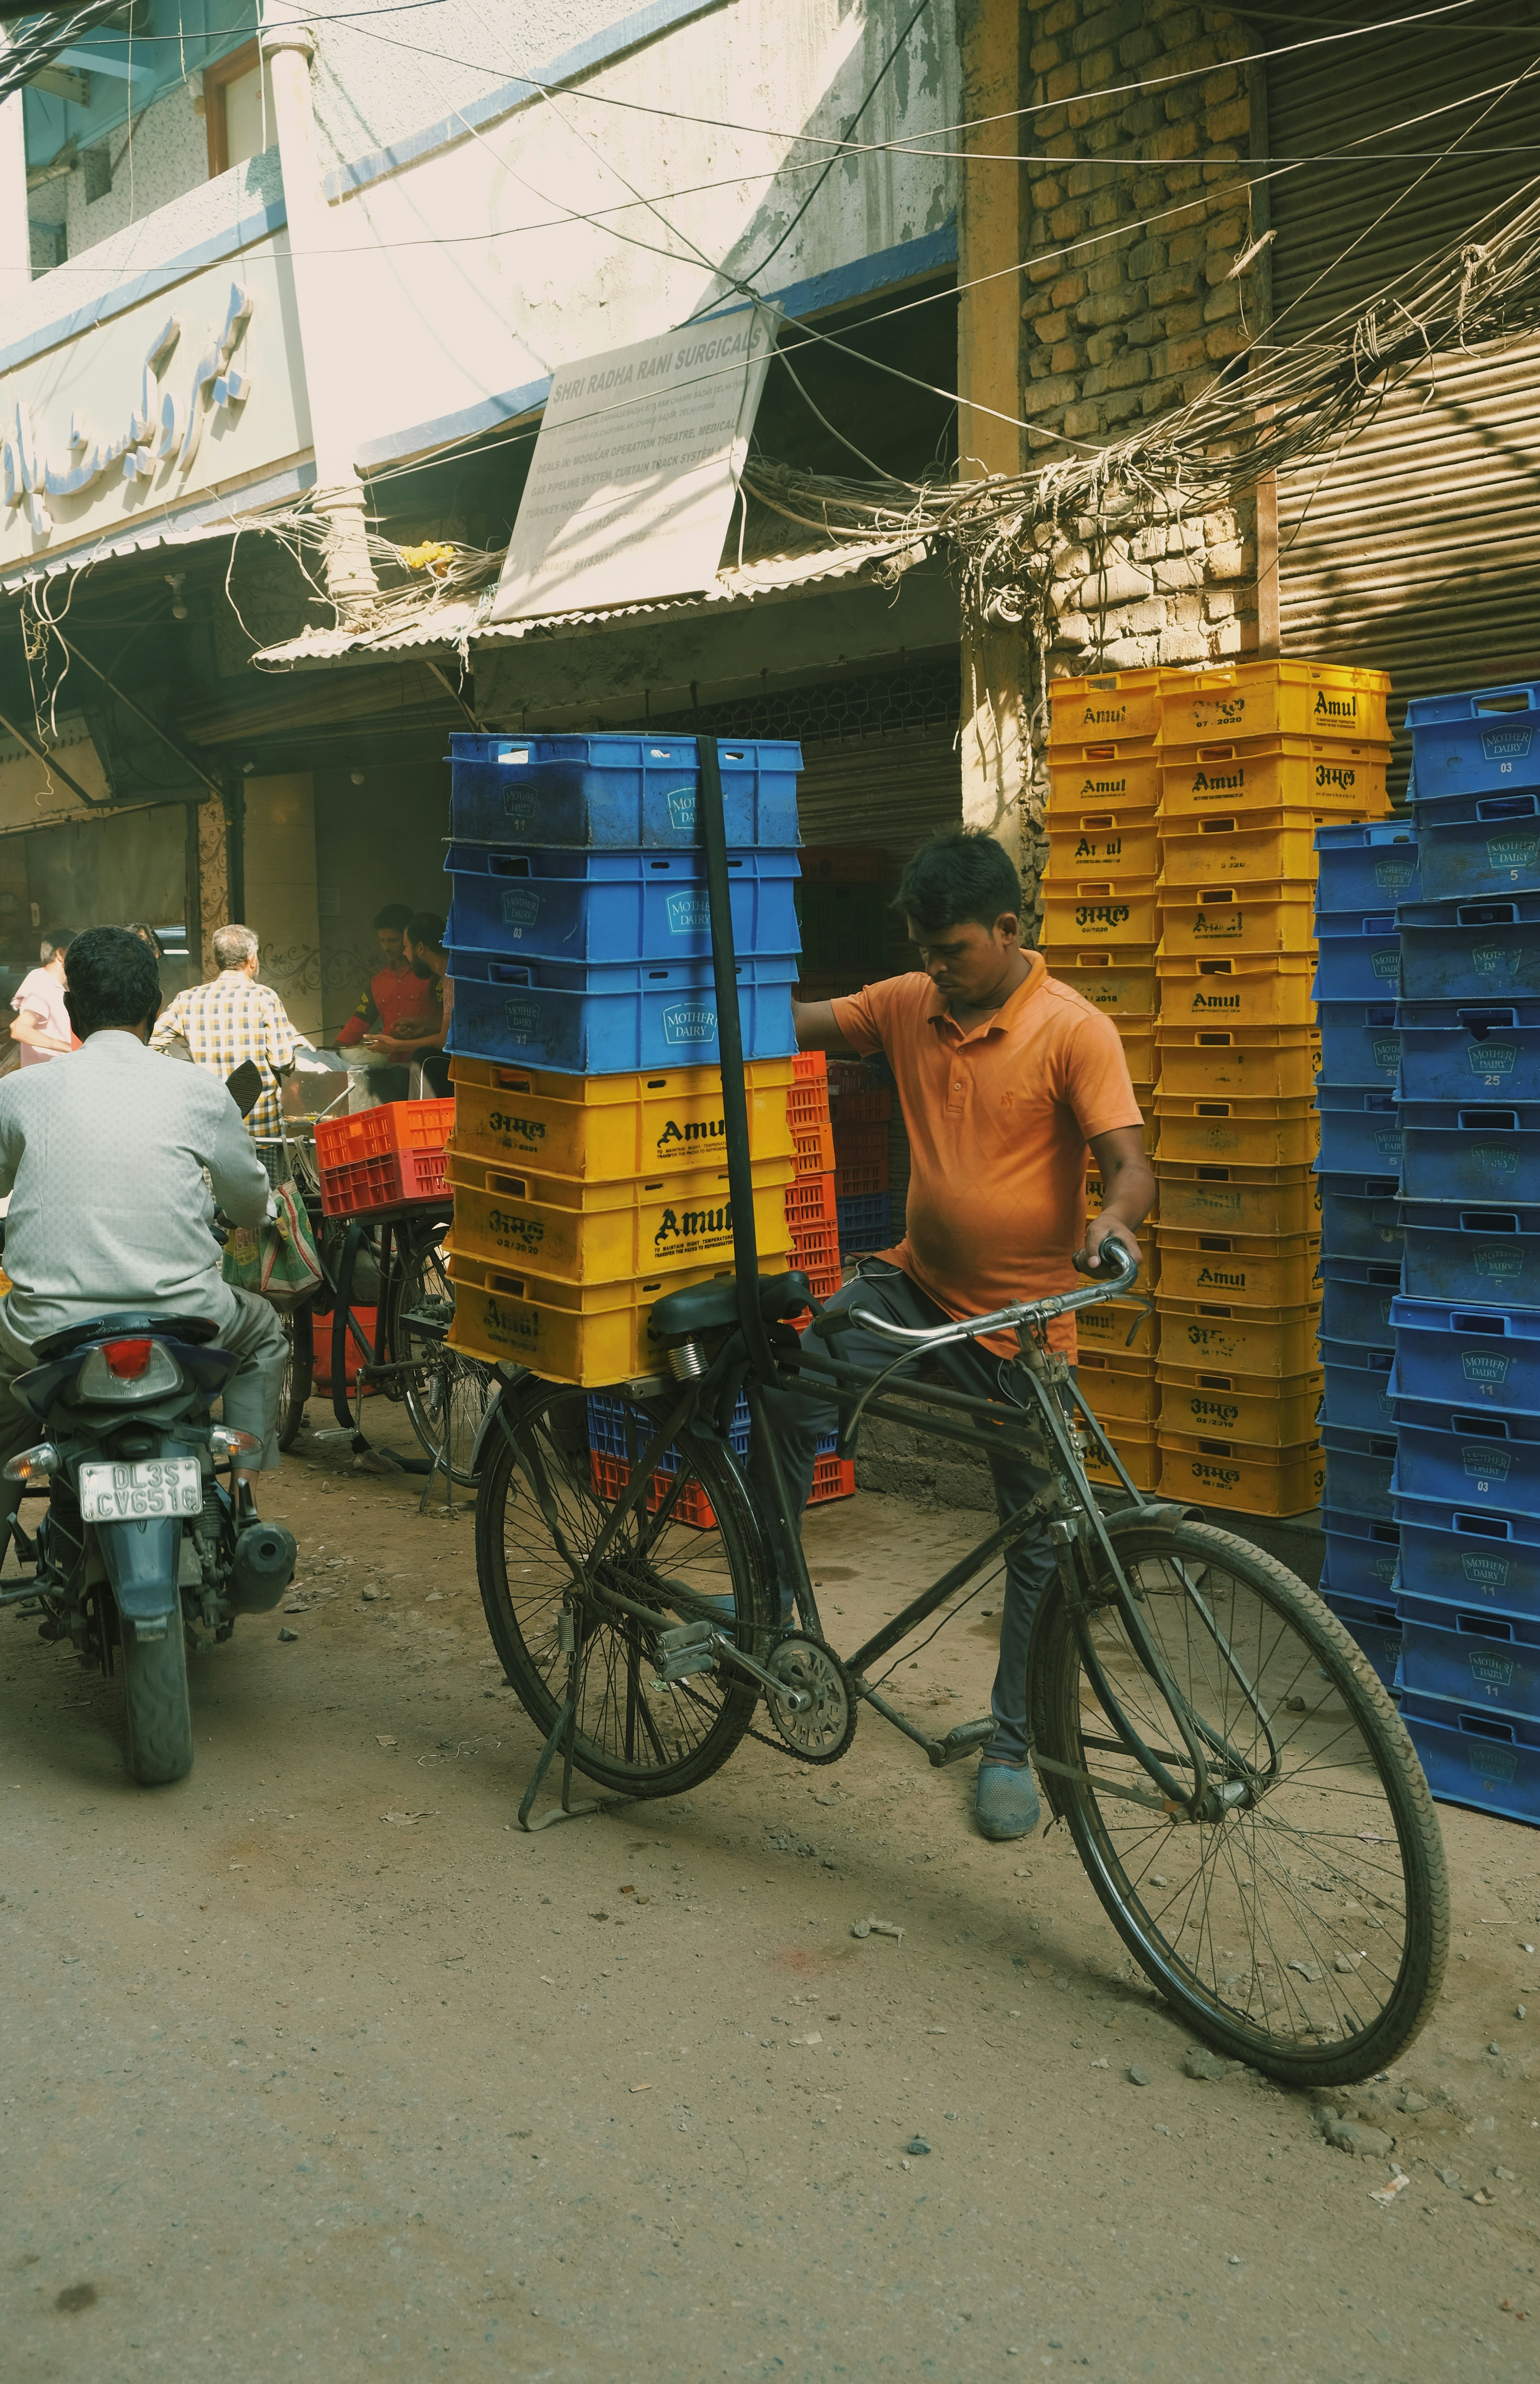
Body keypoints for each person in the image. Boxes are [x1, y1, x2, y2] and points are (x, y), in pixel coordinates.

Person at [765, 828, 1155, 1845]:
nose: (937, 967)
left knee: (1039, 1543)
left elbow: (1130, 1163)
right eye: (925, 949)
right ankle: (774, 1622)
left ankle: (1014, 1745)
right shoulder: (908, 1002)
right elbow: (792, 1022)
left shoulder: (1074, 1031)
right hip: (915, 1289)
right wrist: (693, 989)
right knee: (781, 1383)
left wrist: (1113, 1224)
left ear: (1008, 928)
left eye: (953, 950)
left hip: (1023, 1328)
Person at [0, 927, 286, 1531]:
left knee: (8, 1392)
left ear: (73, 1011)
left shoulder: (17, 1093)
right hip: (187, 1320)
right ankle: (245, 1497)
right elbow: (249, 1201)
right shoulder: (202, 1090)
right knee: (261, 1332)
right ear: (154, 1009)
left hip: (46, 1334)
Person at [149, 925, 301, 1143]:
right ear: (252, 959)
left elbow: (150, 1043)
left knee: (213, 1179)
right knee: (271, 1178)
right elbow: (283, 1061)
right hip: (260, 1133)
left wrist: (183, 1075)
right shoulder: (264, 998)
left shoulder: (188, 999)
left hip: (208, 1130)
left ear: (219, 960)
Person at [366, 913, 452, 1096]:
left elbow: (445, 1039)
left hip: (466, 1066)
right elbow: (455, 1024)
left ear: (420, 948)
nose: (404, 953)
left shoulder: (452, 979)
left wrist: (395, 1045)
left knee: (423, 1059)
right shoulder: (446, 976)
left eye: (405, 946)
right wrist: (423, 1024)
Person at [10, 930, 77, 1066]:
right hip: (45, 1081)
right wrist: (70, 1048)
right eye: (79, 953)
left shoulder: (55, 985)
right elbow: (19, 1029)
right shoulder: (44, 984)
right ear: (61, 954)